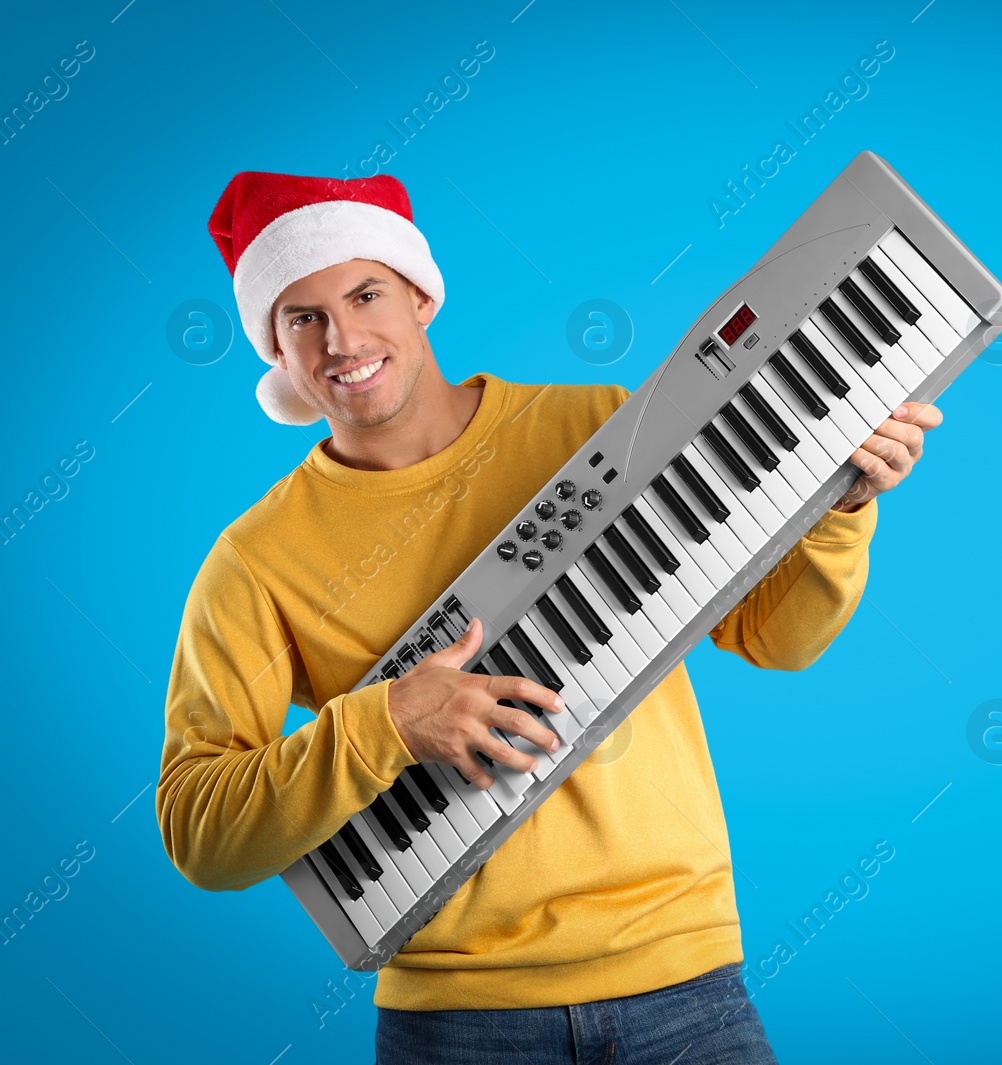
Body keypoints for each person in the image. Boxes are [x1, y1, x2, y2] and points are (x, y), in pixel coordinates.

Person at [156, 171, 942, 1064]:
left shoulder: (595, 422)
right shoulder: (255, 561)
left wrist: (838, 512)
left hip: (685, 983)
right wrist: (387, 723)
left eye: (365, 293)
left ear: (419, 296)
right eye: (302, 317)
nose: (342, 338)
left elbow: (778, 637)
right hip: (454, 1020)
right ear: (276, 348)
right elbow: (199, 830)